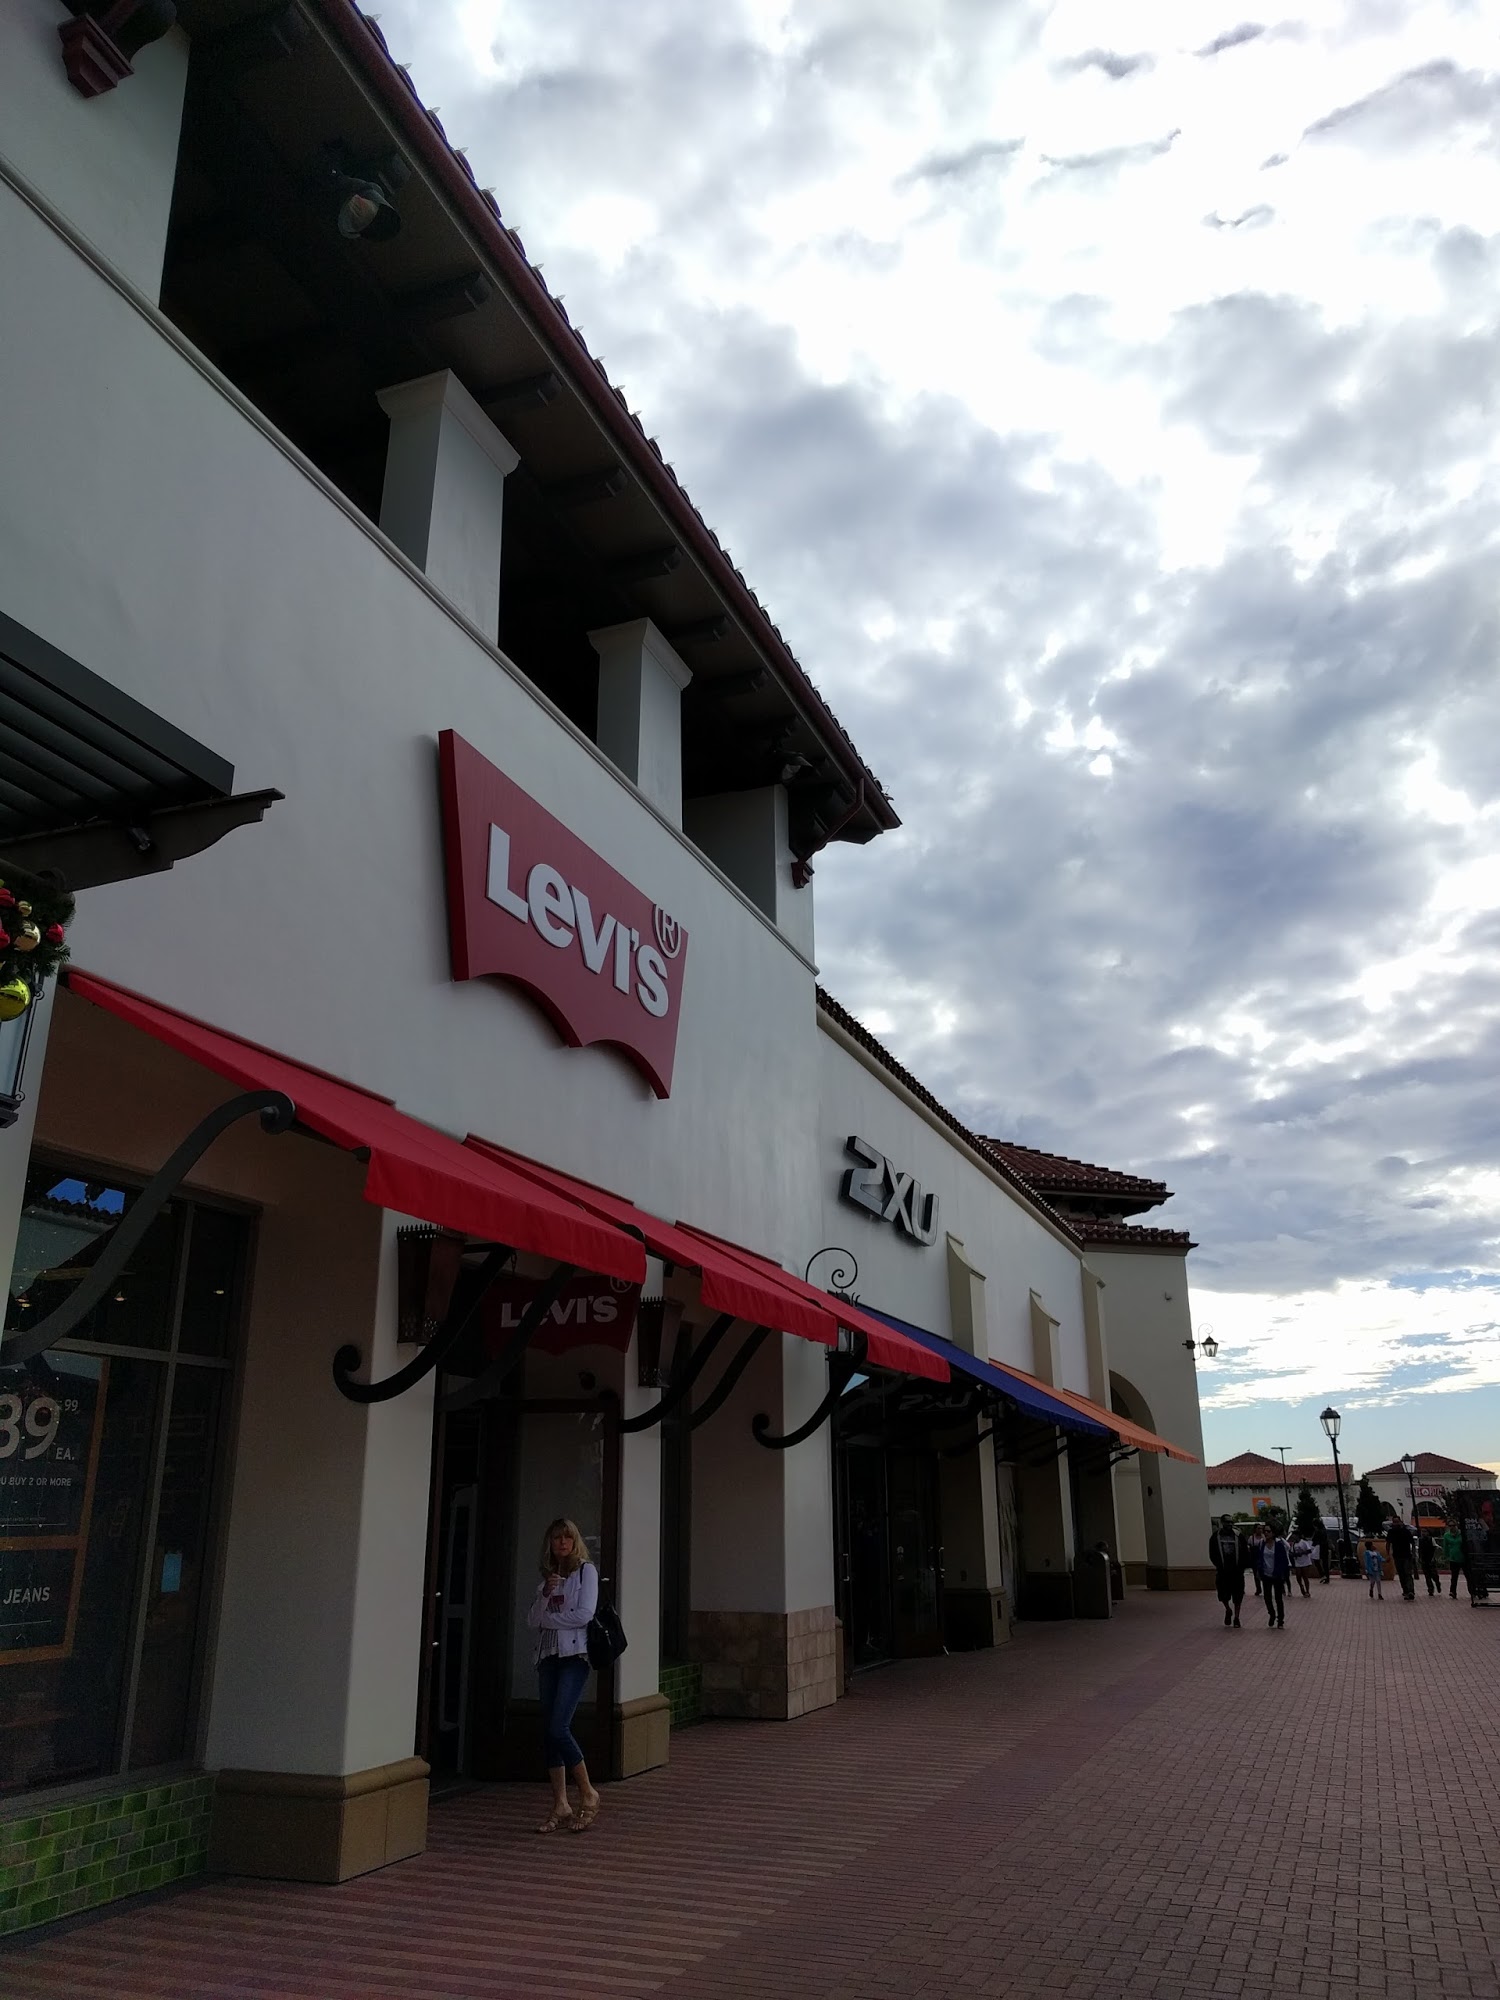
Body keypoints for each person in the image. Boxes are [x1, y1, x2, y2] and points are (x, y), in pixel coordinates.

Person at [526, 1517, 602, 1834]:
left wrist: (551, 1620)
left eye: (567, 1537)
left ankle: (588, 1792)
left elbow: (585, 1614)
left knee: (559, 1726)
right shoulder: (548, 1578)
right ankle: (560, 1802)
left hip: (574, 1658)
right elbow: (533, 1620)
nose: (562, 1543)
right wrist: (546, 1594)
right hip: (548, 1658)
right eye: (557, 1538)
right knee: (550, 1731)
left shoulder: (586, 1572)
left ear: (575, 1541)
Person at [1209, 1514, 1249, 1627]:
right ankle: (1228, 1609)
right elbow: (1212, 1553)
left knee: (1238, 1595)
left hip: (1237, 1572)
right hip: (1223, 1572)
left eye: (1231, 1522)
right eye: (1227, 1522)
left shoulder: (1238, 1536)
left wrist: (1242, 1566)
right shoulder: (1215, 1537)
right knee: (1223, 1594)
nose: (1230, 1524)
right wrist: (1218, 1565)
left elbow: (1245, 1552)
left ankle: (1237, 1617)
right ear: (1222, 1523)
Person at [1254, 1523, 1291, 1627]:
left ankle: (1280, 1620)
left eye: (1268, 1531)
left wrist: (1282, 1573)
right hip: (1266, 1574)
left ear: (1273, 1533)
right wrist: (1259, 1570)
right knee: (1267, 1597)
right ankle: (1272, 1614)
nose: (1266, 1533)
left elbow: (1284, 1560)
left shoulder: (1279, 1544)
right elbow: (1259, 1558)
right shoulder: (1262, 1544)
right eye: (1265, 1531)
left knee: (1278, 1598)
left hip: (1277, 1575)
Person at [1386, 1513, 1416, 1600]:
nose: (1396, 1524)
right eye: (1394, 1522)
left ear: (1400, 1522)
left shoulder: (1406, 1531)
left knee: (1407, 1573)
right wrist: (1388, 1554)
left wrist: (1413, 1554)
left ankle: (1410, 1591)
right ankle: (1405, 1591)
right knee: (1401, 1574)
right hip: (1397, 1556)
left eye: (1397, 1522)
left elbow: (1412, 1543)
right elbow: (1388, 1543)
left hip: (1406, 1555)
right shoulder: (1391, 1532)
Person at [1441, 1519, 1467, 1600]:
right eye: (1450, 1526)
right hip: (1453, 1558)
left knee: (1468, 1575)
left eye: (1453, 1525)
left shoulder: (1462, 1534)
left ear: (1456, 1526)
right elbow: (1445, 1547)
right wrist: (1446, 1557)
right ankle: (1453, 1592)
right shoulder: (1447, 1535)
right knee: (1454, 1576)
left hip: (1463, 1558)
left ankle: (1472, 1591)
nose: (1452, 1527)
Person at [1290, 1531, 1317, 1597]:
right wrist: (1294, 1555)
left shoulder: (1303, 1542)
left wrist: (1302, 1553)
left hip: (1305, 1562)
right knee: (1298, 1576)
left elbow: (1309, 1550)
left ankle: (1307, 1591)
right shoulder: (1294, 1544)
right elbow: (1292, 1552)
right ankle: (1301, 1586)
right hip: (1298, 1562)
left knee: (1305, 1576)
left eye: (1294, 1535)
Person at [1419, 1529, 1442, 1596]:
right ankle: (1430, 1589)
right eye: (1422, 1531)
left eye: (1425, 1531)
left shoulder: (1431, 1539)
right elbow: (1420, 1550)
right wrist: (1420, 1558)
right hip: (1424, 1560)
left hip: (1431, 1559)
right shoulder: (1420, 1540)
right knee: (1427, 1576)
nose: (1423, 1533)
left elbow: (1435, 1548)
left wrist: (1433, 1558)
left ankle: (1437, 1583)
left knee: (1434, 1575)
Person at [1363, 1536, 1385, 1600]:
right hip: (1371, 1570)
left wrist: (1385, 1560)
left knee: (1378, 1581)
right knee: (1372, 1581)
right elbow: (1366, 1562)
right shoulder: (1367, 1553)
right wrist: (1367, 1569)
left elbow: (1380, 1558)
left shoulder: (1376, 1553)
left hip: (1377, 1569)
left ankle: (1379, 1594)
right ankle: (1371, 1589)